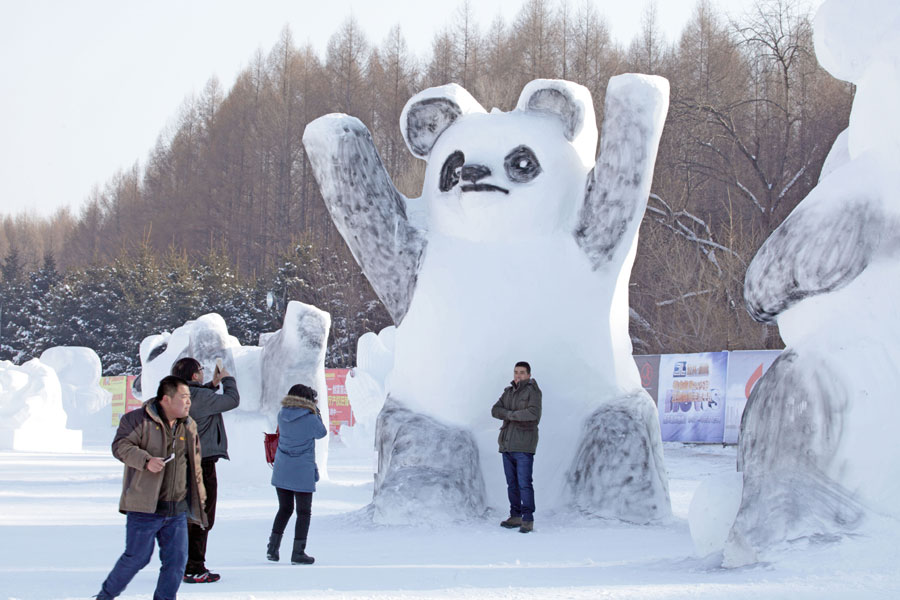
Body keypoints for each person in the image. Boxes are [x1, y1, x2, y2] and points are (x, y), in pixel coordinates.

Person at [95, 375, 207, 600]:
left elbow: (194, 464)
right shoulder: (137, 420)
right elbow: (120, 446)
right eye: (183, 397)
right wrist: (146, 460)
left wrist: (200, 497)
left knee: (176, 562)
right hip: (144, 508)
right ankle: (104, 597)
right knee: (137, 558)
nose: (188, 402)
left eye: (189, 397)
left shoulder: (188, 425)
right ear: (166, 399)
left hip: (176, 509)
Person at [170, 357, 240, 584]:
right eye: (200, 370)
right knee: (202, 516)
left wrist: (212, 384)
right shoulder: (198, 397)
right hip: (202, 463)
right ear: (194, 375)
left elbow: (201, 399)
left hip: (179, 462)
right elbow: (232, 400)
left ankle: (179, 564)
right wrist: (227, 379)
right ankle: (194, 567)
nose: (202, 372)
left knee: (186, 516)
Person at [267, 383, 328, 565]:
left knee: (284, 509)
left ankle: (272, 548)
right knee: (303, 512)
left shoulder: (282, 414)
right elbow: (322, 433)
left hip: (282, 468)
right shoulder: (310, 419)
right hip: (302, 470)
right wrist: (316, 412)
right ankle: (298, 552)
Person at [491, 361, 542, 533]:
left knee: (524, 483)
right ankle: (515, 516)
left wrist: (509, 415)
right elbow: (495, 410)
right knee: (512, 484)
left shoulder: (533, 391)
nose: (518, 375)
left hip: (524, 445)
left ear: (529, 375)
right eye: (516, 372)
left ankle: (527, 518)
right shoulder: (509, 391)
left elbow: (533, 414)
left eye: (521, 372)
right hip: (507, 444)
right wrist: (512, 415)